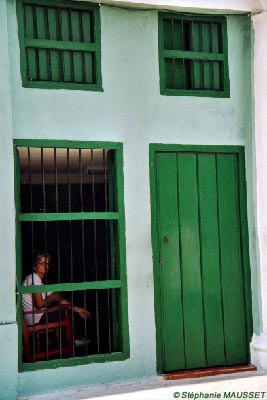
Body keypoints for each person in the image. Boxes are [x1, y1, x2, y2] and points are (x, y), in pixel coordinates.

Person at [22, 252, 90, 327]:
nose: (46, 266)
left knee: (71, 312)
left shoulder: (40, 284)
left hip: (40, 316)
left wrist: (77, 309)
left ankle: (77, 337)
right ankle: (77, 338)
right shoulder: (33, 277)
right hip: (35, 319)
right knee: (66, 313)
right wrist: (52, 298)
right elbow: (39, 304)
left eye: (47, 264)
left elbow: (59, 299)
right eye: (42, 263)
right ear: (34, 267)